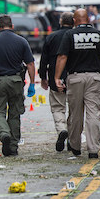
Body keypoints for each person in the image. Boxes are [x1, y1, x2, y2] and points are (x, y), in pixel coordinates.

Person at [54, 9, 100, 159]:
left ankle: (75, 146)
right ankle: (93, 149)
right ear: (88, 19)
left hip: (75, 78)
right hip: (94, 77)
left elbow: (62, 57)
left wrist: (57, 77)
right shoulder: (99, 35)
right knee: (93, 113)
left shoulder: (69, 35)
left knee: (75, 114)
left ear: (74, 20)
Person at [0, 15, 36, 156]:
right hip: (16, 81)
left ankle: (4, 134)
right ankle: (13, 146)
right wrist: (32, 83)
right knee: (15, 113)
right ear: (12, 26)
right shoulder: (22, 41)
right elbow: (30, 64)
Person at [39, 11, 74, 152]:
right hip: (74, 76)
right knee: (74, 110)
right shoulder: (76, 37)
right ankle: (73, 139)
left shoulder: (51, 37)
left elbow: (44, 60)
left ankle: (61, 130)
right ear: (73, 22)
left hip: (55, 76)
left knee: (58, 108)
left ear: (60, 21)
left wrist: (43, 77)